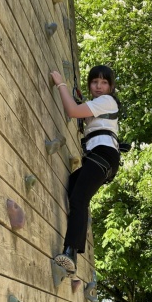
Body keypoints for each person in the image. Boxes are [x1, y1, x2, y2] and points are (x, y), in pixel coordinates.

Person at [50, 65, 121, 274]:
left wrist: (61, 84)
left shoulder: (107, 101)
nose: (99, 86)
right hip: (102, 157)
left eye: (104, 82)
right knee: (74, 186)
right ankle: (74, 245)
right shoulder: (97, 105)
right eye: (95, 82)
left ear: (110, 87)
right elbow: (80, 109)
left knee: (79, 199)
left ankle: (70, 252)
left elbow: (72, 111)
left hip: (103, 154)